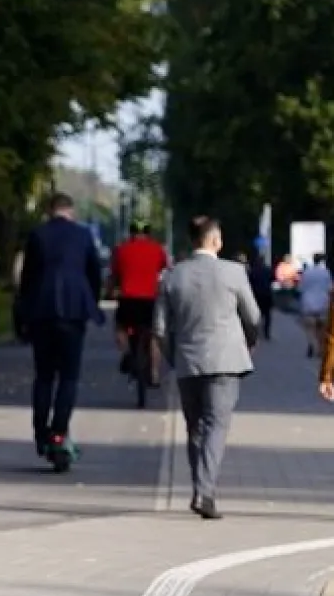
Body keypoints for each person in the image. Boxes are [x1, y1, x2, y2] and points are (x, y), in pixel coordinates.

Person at [153, 215, 262, 519]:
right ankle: (204, 492)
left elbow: (159, 329)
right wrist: (250, 341)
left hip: (188, 361)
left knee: (195, 428)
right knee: (216, 425)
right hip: (226, 360)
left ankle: (201, 488)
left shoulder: (171, 276)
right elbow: (253, 316)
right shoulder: (234, 273)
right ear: (215, 240)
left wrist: (175, 357)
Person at [17, 193, 104, 463]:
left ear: (49, 210)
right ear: (71, 210)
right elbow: (94, 273)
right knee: (69, 376)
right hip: (74, 312)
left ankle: (41, 432)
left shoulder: (37, 235)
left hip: (42, 311)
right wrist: (91, 300)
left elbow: (28, 277)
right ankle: (59, 431)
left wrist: (23, 314)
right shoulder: (83, 235)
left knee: (43, 375)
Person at [110, 218, 168, 383]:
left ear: (131, 232)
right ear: (148, 233)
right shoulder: (157, 249)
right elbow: (164, 270)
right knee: (154, 335)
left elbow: (114, 275)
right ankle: (155, 374)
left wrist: (112, 291)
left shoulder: (121, 250)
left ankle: (127, 353)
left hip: (128, 299)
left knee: (120, 326)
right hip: (150, 299)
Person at [301, 253, 332, 357]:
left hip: (308, 301)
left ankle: (311, 343)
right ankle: (320, 348)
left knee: (309, 326)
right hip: (323, 301)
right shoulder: (325, 272)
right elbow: (330, 288)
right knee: (322, 327)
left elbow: (301, 287)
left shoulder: (307, 272)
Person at [246, 248, 274, 341]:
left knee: (256, 314)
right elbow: (272, 279)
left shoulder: (252, 271)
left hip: (256, 295)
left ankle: (256, 332)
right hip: (267, 294)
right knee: (268, 315)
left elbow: (249, 282)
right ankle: (266, 332)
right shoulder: (268, 270)